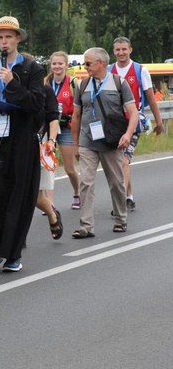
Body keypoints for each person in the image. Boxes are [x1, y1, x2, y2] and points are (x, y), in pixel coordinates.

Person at [0, 16, 45, 274]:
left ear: (17, 39)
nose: (4, 41)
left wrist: (13, 83)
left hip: (21, 138)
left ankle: (12, 252)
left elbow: (36, 104)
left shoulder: (32, 68)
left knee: (17, 195)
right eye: (0, 37)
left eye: (8, 37)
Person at [71, 47, 138, 238]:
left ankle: (120, 218)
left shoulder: (119, 83)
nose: (85, 67)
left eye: (88, 63)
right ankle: (86, 226)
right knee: (85, 182)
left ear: (101, 63)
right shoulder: (82, 85)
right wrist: (76, 144)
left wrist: (127, 135)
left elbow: (133, 113)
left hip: (111, 142)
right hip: (87, 142)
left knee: (116, 182)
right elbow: (76, 116)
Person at [109, 37, 164, 211]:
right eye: (118, 50)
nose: (121, 53)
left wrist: (159, 121)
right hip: (114, 122)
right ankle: (129, 196)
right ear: (113, 51)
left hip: (133, 121)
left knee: (123, 161)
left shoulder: (140, 70)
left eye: (124, 49)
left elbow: (150, 97)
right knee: (119, 162)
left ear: (130, 50)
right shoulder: (109, 70)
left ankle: (120, 202)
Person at [45, 51, 81, 209]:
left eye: (60, 63)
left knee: (69, 168)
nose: (57, 66)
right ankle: (50, 203)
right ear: (50, 65)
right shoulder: (45, 83)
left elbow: (80, 110)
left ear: (66, 65)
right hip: (48, 128)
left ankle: (77, 192)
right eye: (54, 64)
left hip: (66, 128)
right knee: (48, 167)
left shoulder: (74, 83)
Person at [35, 74, 63, 240]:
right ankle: (17, 236)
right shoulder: (13, 91)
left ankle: (52, 215)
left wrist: (51, 141)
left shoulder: (46, 90)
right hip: (17, 146)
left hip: (42, 143)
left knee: (35, 194)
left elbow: (53, 117)